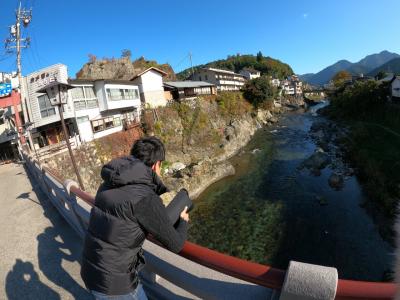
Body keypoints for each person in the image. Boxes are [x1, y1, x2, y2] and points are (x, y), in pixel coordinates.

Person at [81, 136, 189, 299]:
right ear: (156, 165)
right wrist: (183, 221)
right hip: (115, 284)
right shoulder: (145, 197)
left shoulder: (109, 182)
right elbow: (176, 244)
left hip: (91, 269)